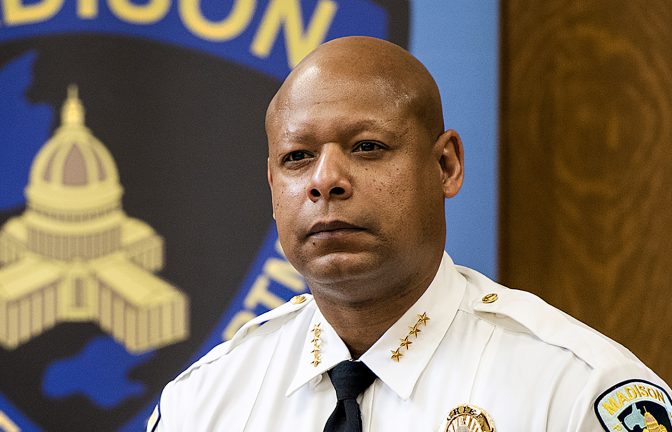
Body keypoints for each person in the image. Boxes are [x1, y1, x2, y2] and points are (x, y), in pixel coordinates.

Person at [146, 36, 671, 432]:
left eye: (367, 147)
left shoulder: (576, 392)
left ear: (445, 165)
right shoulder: (202, 404)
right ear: (271, 185)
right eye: (297, 158)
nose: (324, 180)